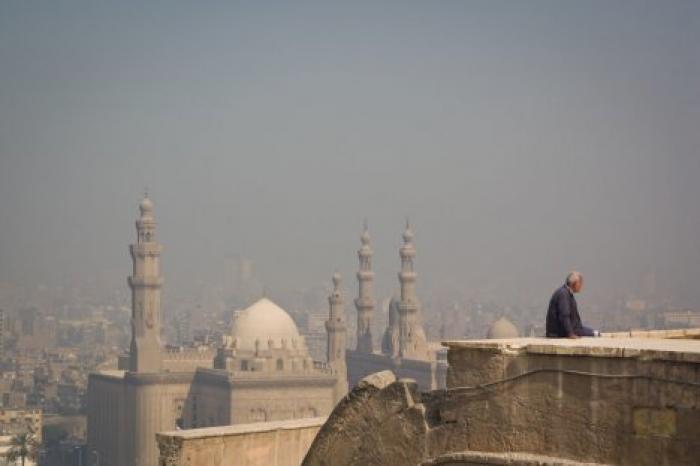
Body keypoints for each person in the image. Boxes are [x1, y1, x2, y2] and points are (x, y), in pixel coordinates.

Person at [546, 271, 599, 338]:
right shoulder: (563, 294)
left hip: (574, 329)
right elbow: (564, 315)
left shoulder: (566, 293)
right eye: (580, 283)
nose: (581, 286)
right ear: (575, 283)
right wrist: (570, 333)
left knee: (596, 333)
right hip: (560, 333)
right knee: (596, 334)